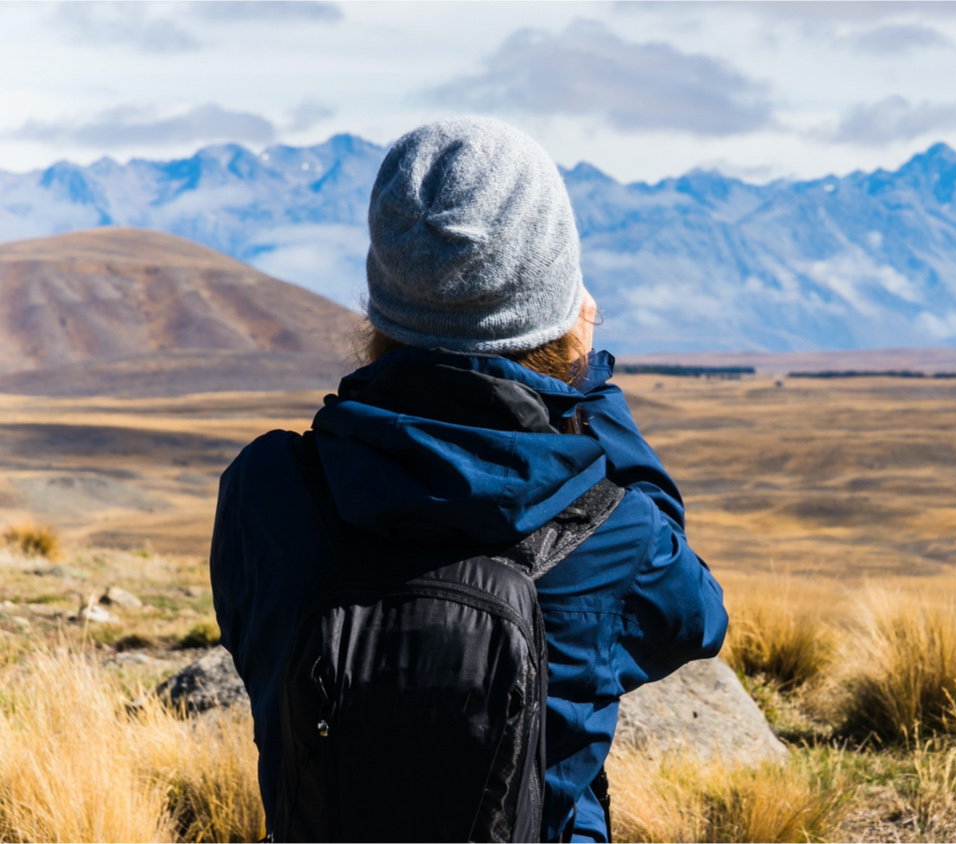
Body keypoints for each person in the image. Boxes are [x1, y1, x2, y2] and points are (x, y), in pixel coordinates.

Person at [210, 117, 728, 842]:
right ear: (551, 305)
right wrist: (590, 386)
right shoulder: (615, 535)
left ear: (382, 292)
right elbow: (696, 617)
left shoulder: (268, 492)